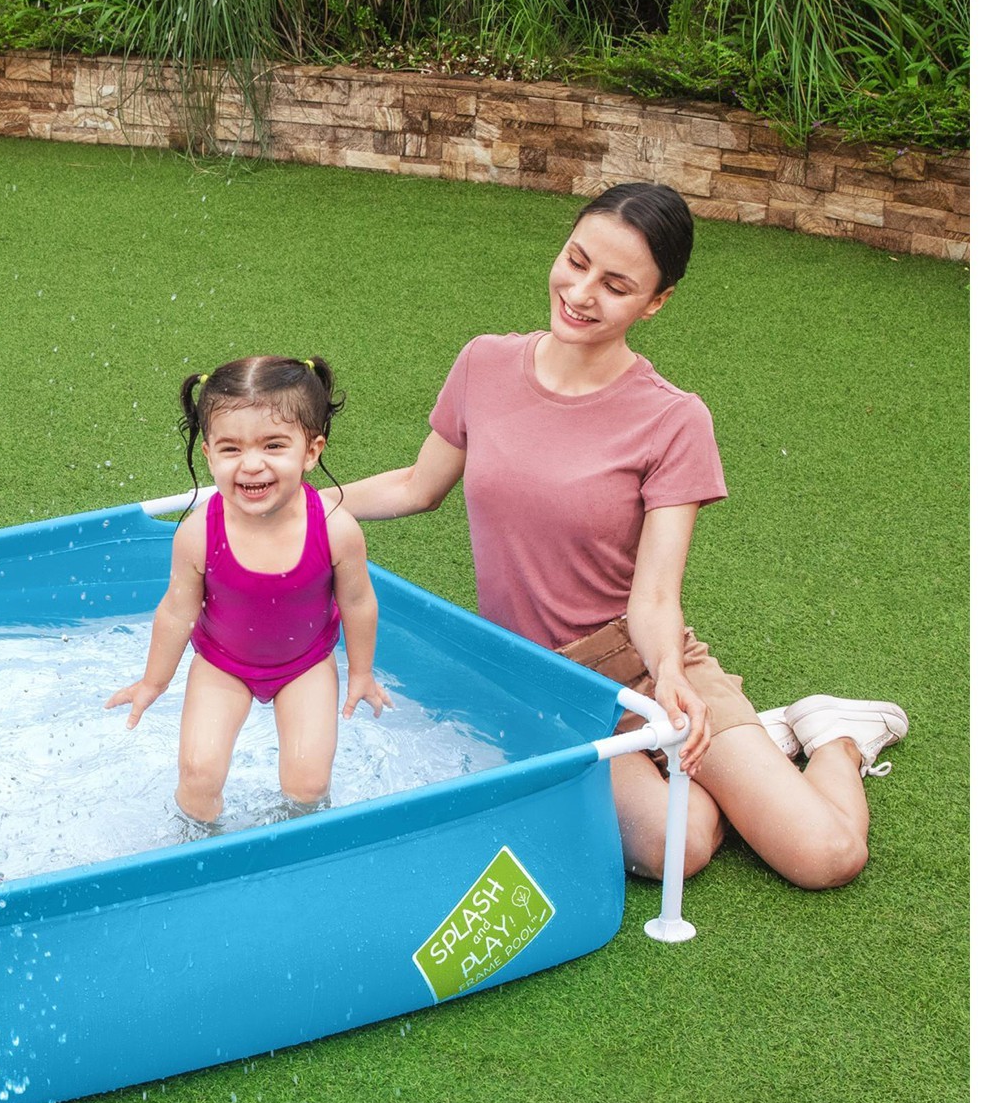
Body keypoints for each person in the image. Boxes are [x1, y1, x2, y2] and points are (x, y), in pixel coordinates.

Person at [335, 183, 906, 890]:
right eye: (576, 262)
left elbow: (655, 595)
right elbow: (417, 486)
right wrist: (299, 502)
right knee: (677, 846)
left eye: (615, 285)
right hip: (539, 680)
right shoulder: (484, 363)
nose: (580, 294)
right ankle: (754, 750)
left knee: (827, 857)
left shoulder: (674, 420)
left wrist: (668, 672)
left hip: (643, 664)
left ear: (655, 302)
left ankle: (834, 737)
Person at [107, 355, 391, 827]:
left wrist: (361, 672)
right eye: (231, 448)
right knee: (198, 774)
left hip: (305, 664)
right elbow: (177, 612)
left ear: (311, 451)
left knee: (308, 783)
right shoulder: (199, 534)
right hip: (222, 664)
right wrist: (154, 681)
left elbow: (358, 602)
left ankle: (291, 845)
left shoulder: (335, 529)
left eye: (273, 445)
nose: (252, 465)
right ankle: (200, 846)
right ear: (209, 455)